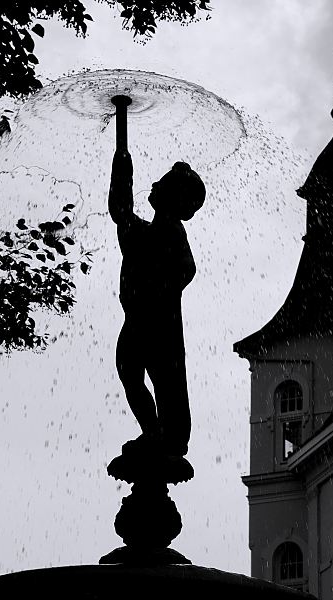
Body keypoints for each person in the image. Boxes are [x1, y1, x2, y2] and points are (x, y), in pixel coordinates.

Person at [108, 130, 205, 458]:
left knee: (164, 381)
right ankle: (154, 431)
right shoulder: (147, 231)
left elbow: (187, 269)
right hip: (137, 320)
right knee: (129, 371)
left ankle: (166, 433)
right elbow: (120, 211)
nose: (156, 186)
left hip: (158, 323)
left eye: (163, 184)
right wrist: (122, 165)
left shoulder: (171, 231)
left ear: (175, 199)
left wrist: (160, 290)